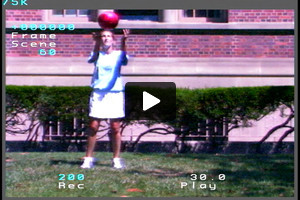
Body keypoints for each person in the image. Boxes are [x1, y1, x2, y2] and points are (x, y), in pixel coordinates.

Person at [80, 29, 129, 169]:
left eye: (108, 36)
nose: (106, 39)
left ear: (113, 39)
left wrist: (124, 41)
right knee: (93, 125)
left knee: (115, 127)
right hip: (99, 93)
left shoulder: (119, 54)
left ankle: (116, 159)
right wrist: (95, 42)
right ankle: (88, 158)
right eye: (103, 36)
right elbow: (93, 57)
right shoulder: (97, 54)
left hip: (115, 93)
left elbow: (124, 59)